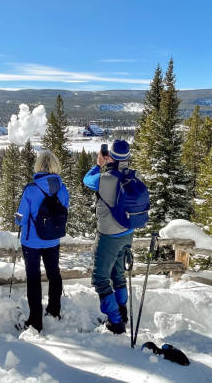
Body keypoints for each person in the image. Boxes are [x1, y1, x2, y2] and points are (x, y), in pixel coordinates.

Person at [83, 140, 136, 334]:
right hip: (127, 233)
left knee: (100, 279)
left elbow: (87, 180)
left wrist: (99, 164)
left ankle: (116, 321)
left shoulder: (104, 178)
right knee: (118, 274)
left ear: (110, 156)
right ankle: (122, 312)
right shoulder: (131, 176)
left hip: (108, 236)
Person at [15, 150, 69, 333]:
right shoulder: (62, 189)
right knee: (54, 274)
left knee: (33, 278)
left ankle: (35, 320)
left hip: (32, 241)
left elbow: (21, 217)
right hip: (52, 240)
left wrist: (17, 219)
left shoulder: (31, 189)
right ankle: (54, 311)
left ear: (39, 166)